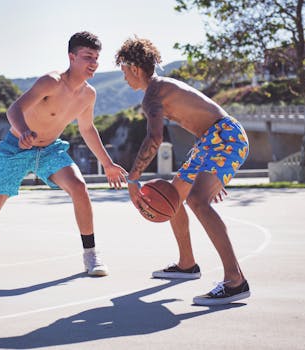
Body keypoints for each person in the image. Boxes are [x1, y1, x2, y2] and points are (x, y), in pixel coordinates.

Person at [0, 31, 127, 276]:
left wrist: (107, 163)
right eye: (87, 57)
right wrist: (22, 132)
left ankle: (91, 255)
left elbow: (87, 128)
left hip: (51, 149)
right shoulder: (51, 82)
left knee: (79, 187)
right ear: (71, 57)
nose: (93, 63)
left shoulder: (88, 94)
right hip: (16, 148)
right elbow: (14, 109)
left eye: (96, 58)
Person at [115, 37, 250, 305]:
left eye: (123, 71)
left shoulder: (153, 95)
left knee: (197, 201)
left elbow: (154, 140)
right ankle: (187, 265)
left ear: (134, 68)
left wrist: (133, 178)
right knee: (175, 196)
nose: (123, 78)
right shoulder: (159, 89)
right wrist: (210, 177)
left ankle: (236, 281)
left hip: (225, 137)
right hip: (210, 142)